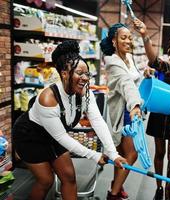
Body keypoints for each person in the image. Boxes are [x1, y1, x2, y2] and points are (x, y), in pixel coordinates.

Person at [11, 40, 126, 200]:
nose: (85, 78)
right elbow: (62, 137)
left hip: (53, 135)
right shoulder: (48, 99)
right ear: (64, 73)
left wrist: (113, 154)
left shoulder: (85, 92)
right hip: (30, 136)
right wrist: (94, 155)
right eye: (80, 73)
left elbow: (98, 121)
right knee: (46, 181)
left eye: (87, 74)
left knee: (69, 176)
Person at [133, 19, 170, 200]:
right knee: (160, 152)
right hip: (158, 112)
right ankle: (159, 187)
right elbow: (154, 72)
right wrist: (149, 73)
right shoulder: (161, 63)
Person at [100, 21, 147, 200]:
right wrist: (135, 105)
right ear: (114, 41)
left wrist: (146, 73)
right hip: (123, 110)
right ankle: (113, 195)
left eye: (130, 37)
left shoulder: (128, 57)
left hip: (129, 108)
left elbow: (133, 78)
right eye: (123, 37)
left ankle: (116, 185)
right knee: (132, 154)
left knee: (120, 154)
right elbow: (126, 84)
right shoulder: (112, 61)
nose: (128, 41)